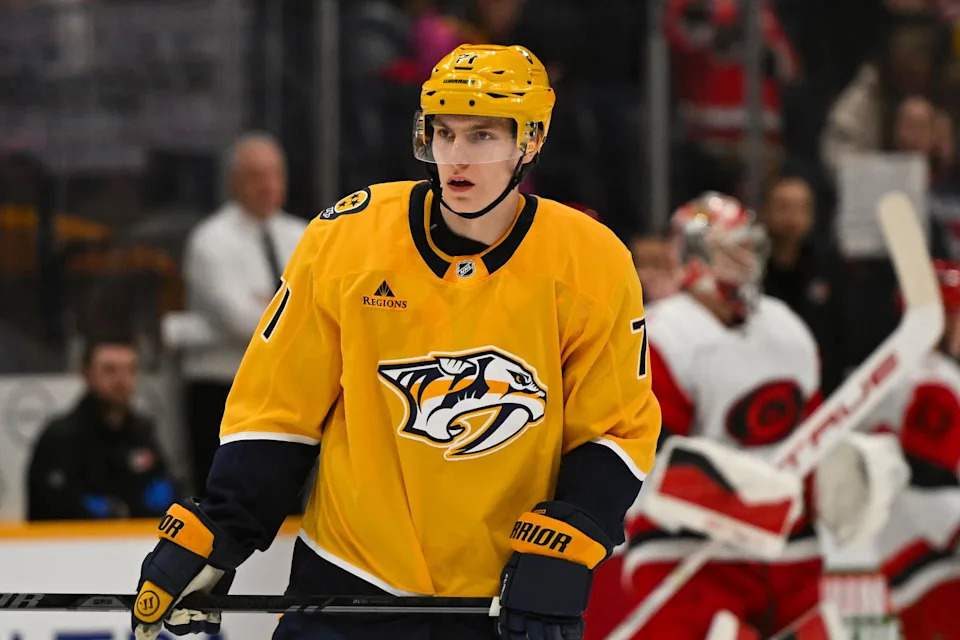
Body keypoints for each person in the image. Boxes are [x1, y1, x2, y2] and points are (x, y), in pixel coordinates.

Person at [131, 44, 662, 640]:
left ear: (530, 142)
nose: (456, 158)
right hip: (349, 577)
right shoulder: (347, 239)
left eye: (483, 136)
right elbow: (281, 410)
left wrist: (566, 540)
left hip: (500, 592)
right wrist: (221, 528)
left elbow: (614, 428)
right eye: (444, 133)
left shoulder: (590, 261)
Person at [583, 192, 903, 638]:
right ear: (696, 255)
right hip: (691, 556)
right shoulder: (660, 335)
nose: (749, 259)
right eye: (734, 247)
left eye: (752, 247)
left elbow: (808, 433)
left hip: (791, 553)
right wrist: (736, 491)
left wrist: (836, 472)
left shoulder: (785, 327)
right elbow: (646, 459)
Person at [181, 132, 307, 491]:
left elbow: (324, 308)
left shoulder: (304, 235)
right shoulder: (211, 240)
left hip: (286, 390)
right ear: (233, 182)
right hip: (223, 390)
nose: (268, 185)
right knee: (222, 495)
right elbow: (240, 322)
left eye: (275, 173)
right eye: (255, 175)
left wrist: (265, 305)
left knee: (285, 494)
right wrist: (294, 315)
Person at [866, 259, 960, 640]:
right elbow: (924, 471)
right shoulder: (930, 377)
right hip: (923, 540)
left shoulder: (900, 366)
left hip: (902, 536)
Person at [27, 337, 176, 520]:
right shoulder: (62, 435)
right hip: (76, 543)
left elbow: (165, 484)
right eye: (109, 370)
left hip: (138, 542)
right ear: (86, 373)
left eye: (130, 370)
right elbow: (48, 500)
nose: (121, 380)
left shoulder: (142, 432)